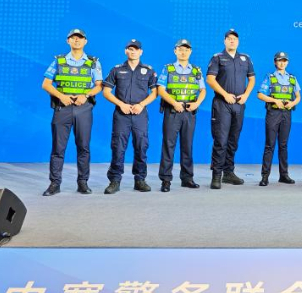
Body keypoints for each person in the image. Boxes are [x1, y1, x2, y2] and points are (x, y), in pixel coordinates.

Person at [41, 28, 102, 196]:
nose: (77, 40)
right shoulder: (59, 61)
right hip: (63, 108)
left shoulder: (93, 62)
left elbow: (99, 85)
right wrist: (61, 96)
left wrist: (86, 95)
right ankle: (55, 184)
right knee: (58, 148)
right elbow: (46, 84)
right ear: (68, 41)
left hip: (83, 109)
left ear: (85, 41)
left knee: (83, 147)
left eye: (80, 38)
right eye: (73, 38)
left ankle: (83, 183)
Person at [102, 39, 158, 194]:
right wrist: (121, 104)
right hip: (122, 114)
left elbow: (155, 92)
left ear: (141, 52)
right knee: (118, 147)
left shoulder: (148, 70)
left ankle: (140, 179)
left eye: (136, 49)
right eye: (130, 49)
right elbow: (106, 91)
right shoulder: (117, 70)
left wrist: (141, 105)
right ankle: (114, 180)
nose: (132, 52)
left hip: (140, 114)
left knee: (141, 146)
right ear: (125, 51)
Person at [206, 29, 255, 189]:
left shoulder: (245, 58)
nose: (232, 41)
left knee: (233, 140)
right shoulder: (218, 58)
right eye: (229, 39)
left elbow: (252, 79)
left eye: (234, 39)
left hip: (239, 104)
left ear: (238, 42)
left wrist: (246, 95)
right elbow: (210, 79)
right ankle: (216, 175)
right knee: (221, 140)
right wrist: (225, 94)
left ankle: (228, 172)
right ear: (224, 41)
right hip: (222, 104)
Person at [156, 39, 206, 192]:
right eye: (180, 49)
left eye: (186, 49)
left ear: (190, 52)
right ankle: (166, 180)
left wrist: (197, 103)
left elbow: (202, 90)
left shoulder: (196, 70)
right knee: (168, 146)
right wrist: (174, 103)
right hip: (172, 112)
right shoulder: (168, 69)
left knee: (187, 146)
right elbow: (161, 90)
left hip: (189, 112)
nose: (183, 52)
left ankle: (187, 178)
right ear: (175, 51)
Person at [257, 51, 301, 186]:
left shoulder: (292, 78)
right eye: (279, 60)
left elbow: (298, 96)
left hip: (287, 114)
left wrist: (293, 103)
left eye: (284, 60)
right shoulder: (270, 77)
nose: (282, 63)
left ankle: (284, 175)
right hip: (273, 114)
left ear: (287, 62)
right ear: (275, 62)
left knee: (283, 145)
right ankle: (265, 176)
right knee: (270, 145)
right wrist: (274, 101)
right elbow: (260, 95)